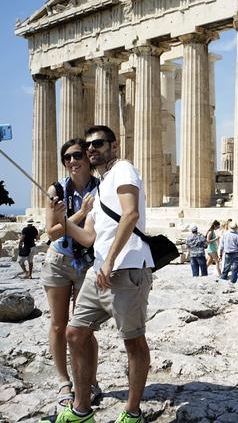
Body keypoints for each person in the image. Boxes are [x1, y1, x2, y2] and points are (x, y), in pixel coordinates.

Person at [52, 125, 153, 423]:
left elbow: (131, 213)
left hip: (127, 269)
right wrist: (65, 220)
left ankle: (132, 413)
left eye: (98, 143)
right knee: (75, 332)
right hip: (101, 271)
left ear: (114, 145)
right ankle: (81, 410)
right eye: (88, 145)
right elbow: (87, 238)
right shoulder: (100, 188)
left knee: (133, 341)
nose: (92, 149)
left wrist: (109, 261)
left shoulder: (123, 170)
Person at [43, 138, 101, 409]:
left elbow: (90, 235)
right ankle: (64, 381)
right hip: (58, 261)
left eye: (77, 155)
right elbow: (52, 232)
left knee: (83, 328)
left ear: (87, 158)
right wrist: (79, 214)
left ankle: (89, 380)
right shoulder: (56, 190)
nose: (72, 161)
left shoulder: (101, 188)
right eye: (67, 158)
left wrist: (67, 219)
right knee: (58, 324)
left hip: (87, 263)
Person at [219, 222, 238, 288]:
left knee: (226, 268)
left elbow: (221, 245)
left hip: (227, 253)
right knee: (235, 269)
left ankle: (222, 281)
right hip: (236, 253)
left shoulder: (225, 234)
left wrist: (220, 254)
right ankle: (233, 282)